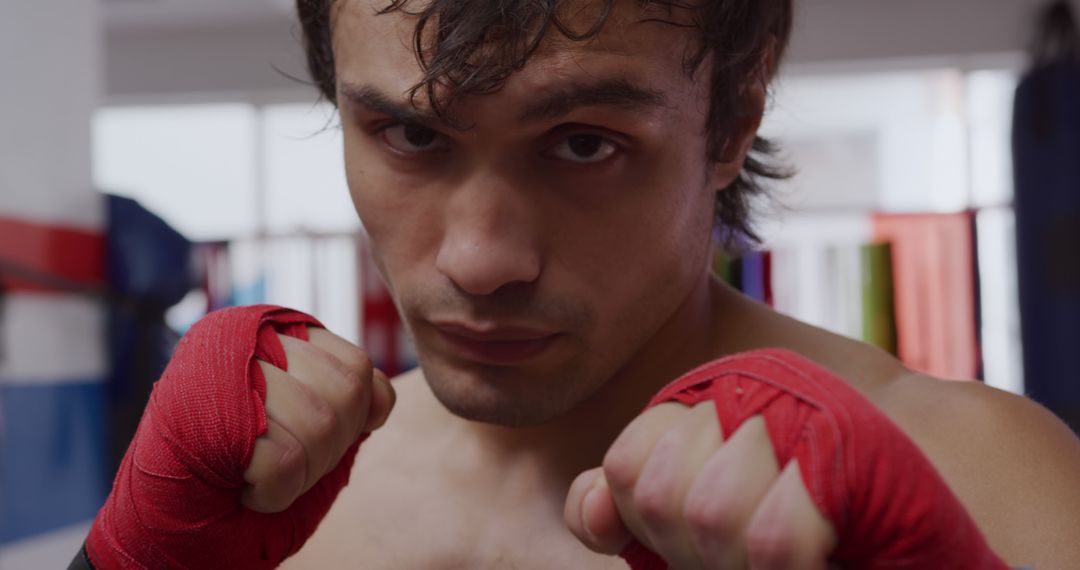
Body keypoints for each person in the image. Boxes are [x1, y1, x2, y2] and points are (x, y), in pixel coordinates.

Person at [77, 0, 1080, 568]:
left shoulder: (977, 475)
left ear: (731, 119)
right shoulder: (271, 500)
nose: (479, 259)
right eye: (412, 134)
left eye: (583, 143)